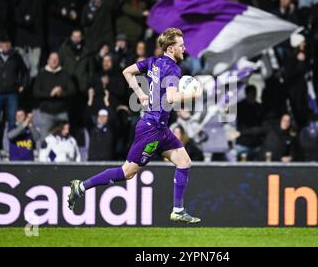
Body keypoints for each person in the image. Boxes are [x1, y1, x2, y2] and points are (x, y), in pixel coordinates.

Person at [68, 27, 203, 224]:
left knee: (184, 162)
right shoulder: (173, 69)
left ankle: (178, 210)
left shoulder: (153, 62)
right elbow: (172, 98)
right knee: (127, 172)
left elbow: (127, 72)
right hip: (151, 129)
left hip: (161, 127)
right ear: (171, 49)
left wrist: (140, 93)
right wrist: (194, 93)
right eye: (181, 45)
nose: (185, 48)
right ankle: (80, 187)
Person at [33, 52, 76, 142]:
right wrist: (50, 93)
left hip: (62, 112)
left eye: (56, 59)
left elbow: (72, 91)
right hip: (46, 112)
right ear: (48, 61)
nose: (54, 61)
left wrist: (61, 92)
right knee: (45, 140)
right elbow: (36, 92)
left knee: (64, 139)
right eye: (52, 58)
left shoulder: (65, 74)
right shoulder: (42, 75)